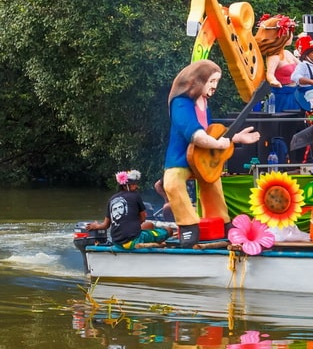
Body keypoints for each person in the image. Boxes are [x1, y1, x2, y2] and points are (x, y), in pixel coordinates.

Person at [163, 59, 261, 247]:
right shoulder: (181, 103)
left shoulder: (204, 102)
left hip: (203, 157)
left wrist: (235, 138)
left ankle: (221, 223)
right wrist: (219, 142)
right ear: (199, 80)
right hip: (181, 158)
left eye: (217, 81)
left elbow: (211, 132)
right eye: (212, 81)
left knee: (211, 180)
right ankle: (188, 226)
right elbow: (195, 134)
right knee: (173, 182)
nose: (214, 86)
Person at [85, 170, 170, 249]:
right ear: (125, 186)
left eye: (136, 184)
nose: (136, 186)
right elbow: (143, 218)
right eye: (133, 184)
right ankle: (156, 245)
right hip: (133, 241)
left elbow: (105, 225)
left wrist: (95, 226)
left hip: (117, 243)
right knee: (168, 230)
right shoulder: (135, 196)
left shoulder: (111, 199)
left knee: (148, 225)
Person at [254, 14, 300, 112]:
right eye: (289, 32)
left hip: (296, 93)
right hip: (283, 95)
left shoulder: (288, 53)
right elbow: (269, 74)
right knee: (285, 123)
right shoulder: (274, 56)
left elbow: (302, 67)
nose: (291, 35)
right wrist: (273, 81)